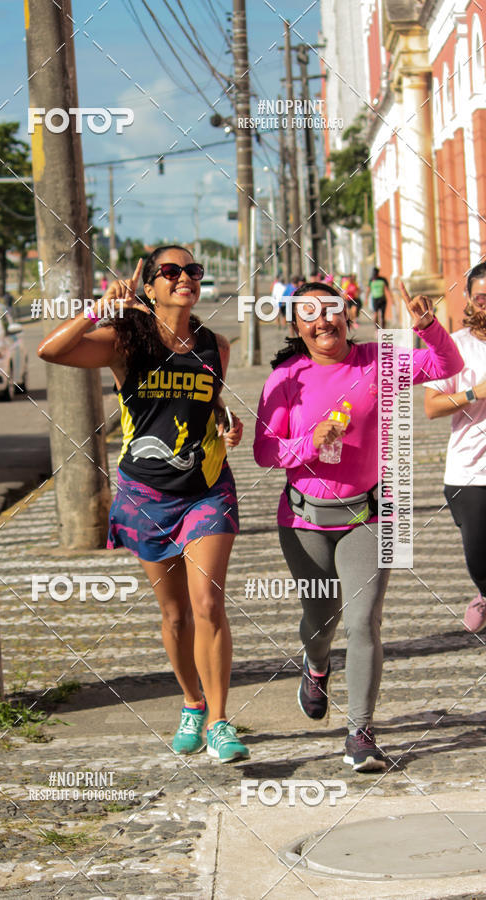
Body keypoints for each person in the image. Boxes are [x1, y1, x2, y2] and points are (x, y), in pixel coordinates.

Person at [37, 245, 250, 763]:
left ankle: (221, 722)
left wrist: (224, 419)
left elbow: (205, 397)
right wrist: (100, 309)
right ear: (150, 286)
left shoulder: (215, 345)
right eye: (170, 272)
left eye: (192, 271)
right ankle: (192, 703)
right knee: (175, 614)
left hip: (207, 487)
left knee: (208, 605)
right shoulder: (124, 341)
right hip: (145, 496)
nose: (184, 278)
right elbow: (52, 351)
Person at [253, 280, 463, 771]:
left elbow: (448, 367)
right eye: (310, 313)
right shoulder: (287, 378)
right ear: (296, 325)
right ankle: (316, 664)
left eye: (331, 310)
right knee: (321, 622)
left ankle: (361, 732)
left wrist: (428, 326)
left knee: (363, 621)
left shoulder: (378, 361)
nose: (323, 320)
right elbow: (265, 452)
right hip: (305, 519)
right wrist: (308, 441)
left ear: (347, 313)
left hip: (369, 514)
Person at [424, 261, 486, 633]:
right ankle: (483, 593)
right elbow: (431, 406)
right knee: (479, 556)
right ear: (468, 298)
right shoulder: (455, 348)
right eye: (482, 297)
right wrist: (474, 393)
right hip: (470, 471)